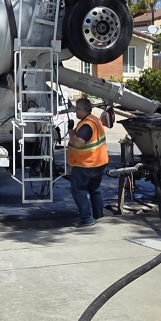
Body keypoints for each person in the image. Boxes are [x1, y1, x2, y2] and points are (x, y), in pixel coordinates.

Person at [66, 96, 109, 225]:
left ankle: (87, 218)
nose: (75, 112)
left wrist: (70, 131)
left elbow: (78, 143)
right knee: (95, 189)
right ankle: (99, 217)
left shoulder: (86, 125)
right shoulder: (94, 120)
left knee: (78, 190)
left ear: (82, 109)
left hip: (85, 164)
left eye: (77, 110)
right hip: (98, 162)